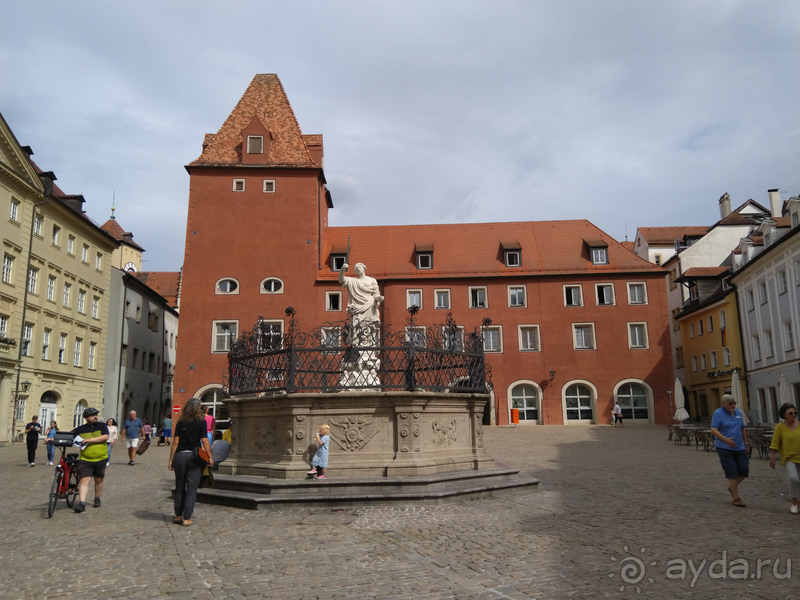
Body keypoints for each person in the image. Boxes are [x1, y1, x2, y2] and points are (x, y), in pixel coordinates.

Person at [168, 398, 213, 526]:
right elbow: (204, 440)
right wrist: (210, 456)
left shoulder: (181, 421)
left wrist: (171, 459)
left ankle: (177, 515)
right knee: (191, 488)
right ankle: (186, 518)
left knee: (180, 486)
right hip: (194, 456)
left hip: (180, 456)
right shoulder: (201, 422)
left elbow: (175, 442)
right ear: (197, 408)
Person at [710, 394, 751, 507]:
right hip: (724, 447)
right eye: (730, 404)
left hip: (739, 447)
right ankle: (736, 498)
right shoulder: (718, 413)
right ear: (724, 404)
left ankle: (732, 488)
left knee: (744, 471)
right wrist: (725, 439)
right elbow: (714, 429)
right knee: (732, 472)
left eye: (734, 403)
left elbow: (743, 429)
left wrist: (746, 443)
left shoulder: (738, 412)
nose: (733, 405)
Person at [70, 407, 109, 513]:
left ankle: (97, 498)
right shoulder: (80, 429)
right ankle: (82, 503)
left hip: (101, 458)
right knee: (84, 480)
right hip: (85, 459)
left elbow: (105, 437)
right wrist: (51, 438)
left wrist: (88, 440)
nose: (95, 417)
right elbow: (68, 436)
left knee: (98, 479)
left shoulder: (102, 426)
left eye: (96, 415)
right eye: (93, 415)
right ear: (87, 418)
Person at [769, 403, 800, 514]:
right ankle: (794, 502)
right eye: (791, 413)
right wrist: (772, 457)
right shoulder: (780, 427)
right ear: (784, 415)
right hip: (789, 458)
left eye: (795, 412)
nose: (794, 415)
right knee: (794, 478)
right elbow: (775, 443)